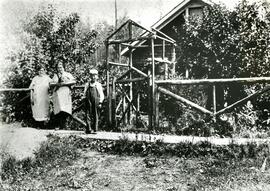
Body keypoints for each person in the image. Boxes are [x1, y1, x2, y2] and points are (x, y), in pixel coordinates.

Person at [51, 61, 76, 129]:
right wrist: (58, 84)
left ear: (63, 67)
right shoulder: (55, 76)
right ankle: (59, 125)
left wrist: (65, 83)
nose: (59, 69)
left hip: (65, 94)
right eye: (58, 68)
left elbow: (74, 81)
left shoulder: (68, 74)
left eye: (61, 67)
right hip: (58, 95)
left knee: (65, 109)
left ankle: (64, 125)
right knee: (59, 110)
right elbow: (51, 84)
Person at [83, 69, 104, 134]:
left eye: (95, 76)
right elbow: (84, 93)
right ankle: (89, 129)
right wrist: (84, 99)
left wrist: (100, 102)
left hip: (96, 101)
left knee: (95, 114)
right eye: (92, 76)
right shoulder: (87, 84)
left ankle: (95, 129)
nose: (93, 77)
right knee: (88, 114)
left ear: (97, 77)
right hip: (88, 101)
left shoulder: (98, 85)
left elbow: (101, 94)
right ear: (90, 76)